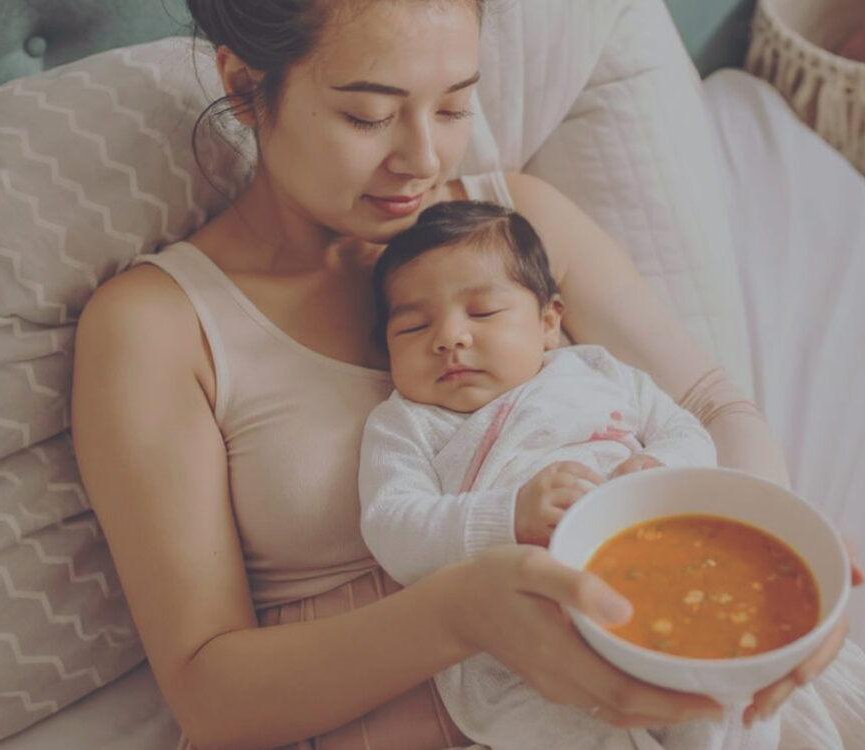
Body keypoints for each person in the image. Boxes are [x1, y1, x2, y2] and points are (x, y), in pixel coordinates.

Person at [69, 1, 862, 749]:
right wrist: (461, 615)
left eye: (453, 107)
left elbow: (713, 407)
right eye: (369, 115)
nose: (422, 158)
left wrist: (777, 583)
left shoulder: (515, 224)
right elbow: (212, 695)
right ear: (245, 87)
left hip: (663, 680)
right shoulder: (158, 326)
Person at [358, 199, 782, 750]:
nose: (449, 337)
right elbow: (393, 526)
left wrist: (657, 470)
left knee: (730, 708)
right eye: (413, 326)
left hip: (657, 592)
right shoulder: (407, 424)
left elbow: (689, 433)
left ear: (550, 323)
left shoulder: (598, 372)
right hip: (521, 651)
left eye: (482, 312)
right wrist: (507, 517)